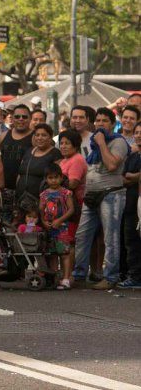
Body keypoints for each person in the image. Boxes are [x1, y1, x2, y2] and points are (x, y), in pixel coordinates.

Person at [73, 108, 130, 290]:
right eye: (98, 120)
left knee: (110, 238)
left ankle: (110, 277)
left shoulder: (118, 141)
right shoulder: (94, 142)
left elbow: (112, 165)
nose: (100, 124)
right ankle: (79, 275)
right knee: (82, 236)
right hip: (91, 194)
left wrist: (101, 142)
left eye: (105, 121)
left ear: (113, 124)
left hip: (111, 194)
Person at [40, 163, 75, 290]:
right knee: (52, 254)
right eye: (50, 178)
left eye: (56, 177)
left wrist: (60, 220)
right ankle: (55, 278)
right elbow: (41, 210)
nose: (53, 180)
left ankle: (65, 279)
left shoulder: (66, 193)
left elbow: (71, 209)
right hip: (49, 229)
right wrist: (44, 222)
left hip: (62, 228)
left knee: (64, 253)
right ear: (46, 179)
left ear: (61, 178)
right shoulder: (44, 194)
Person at [118, 123, 141, 289]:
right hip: (130, 205)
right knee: (131, 242)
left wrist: (132, 176)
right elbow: (122, 177)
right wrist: (135, 177)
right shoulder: (132, 156)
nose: (139, 135)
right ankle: (135, 276)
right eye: (137, 132)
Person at [16, 124, 62, 205]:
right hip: (22, 199)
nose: (40, 138)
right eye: (37, 135)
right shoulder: (29, 151)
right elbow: (20, 174)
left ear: (50, 137)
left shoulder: (55, 153)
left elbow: (57, 178)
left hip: (43, 201)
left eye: (44, 135)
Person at [0, 104, 33, 211]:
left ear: (30, 119)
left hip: (26, 191)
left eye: (24, 117)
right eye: (17, 117)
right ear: (12, 118)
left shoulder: (36, 138)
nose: (21, 119)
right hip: (3, 190)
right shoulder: (3, 136)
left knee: (25, 221)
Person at [58, 129, 87, 246]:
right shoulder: (64, 160)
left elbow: (73, 184)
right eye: (61, 143)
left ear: (75, 145)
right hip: (64, 204)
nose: (63, 146)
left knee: (70, 240)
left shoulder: (77, 159)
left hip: (75, 205)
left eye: (67, 143)